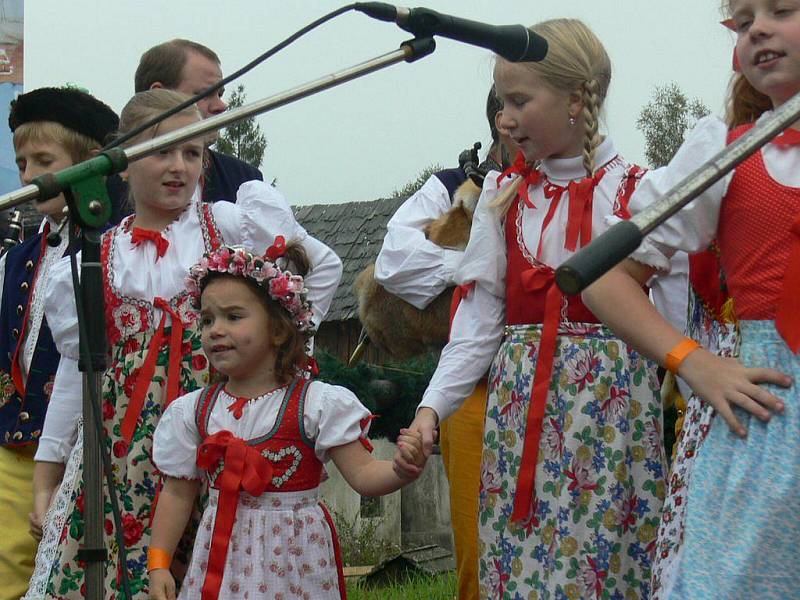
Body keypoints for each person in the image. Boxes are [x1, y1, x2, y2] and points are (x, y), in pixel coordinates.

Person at [24, 89, 342, 599]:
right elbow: (73, 374)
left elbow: (320, 270)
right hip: (121, 461)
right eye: (161, 151)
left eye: (192, 153)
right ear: (120, 164)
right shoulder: (94, 260)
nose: (179, 166)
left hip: (219, 443)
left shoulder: (231, 226)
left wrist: (284, 354)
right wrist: (47, 478)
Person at [400, 19, 665, 599]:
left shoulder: (643, 196)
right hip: (520, 423)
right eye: (501, 102)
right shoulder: (505, 198)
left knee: (607, 571)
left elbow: (675, 326)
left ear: (576, 100)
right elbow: (475, 326)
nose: (504, 119)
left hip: (613, 427)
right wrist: (430, 409)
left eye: (519, 101)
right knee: (520, 572)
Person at [582, 1, 798, 596]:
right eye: (743, 17)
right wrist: (692, 362)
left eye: (782, 9)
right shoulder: (726, 152)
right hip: (773, 423)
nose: (758, 27)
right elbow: (602, 275)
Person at [147, 243, 425, 600]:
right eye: (207, 319)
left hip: (296, 564)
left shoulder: (314, 404)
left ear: (278, 330)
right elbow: (177, 493)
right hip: (221, 561)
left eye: (233, 317)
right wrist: (158, 563)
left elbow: (364, 475)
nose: (215, 329)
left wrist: (402, 470)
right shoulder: (195, 411)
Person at [374, 87, 512, 600]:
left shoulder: (585, 182)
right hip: (473, 385)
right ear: (500, 119)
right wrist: (477, 267)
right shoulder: (451, 186)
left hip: (567, 378)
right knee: (479, 535)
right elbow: (394, 261)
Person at [0, 87, 118, 600]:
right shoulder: (13, 258)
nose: (27, 176)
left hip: (89, 451)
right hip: (12, 446)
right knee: (6, 569)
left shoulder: (117, 246)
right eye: (22, 162)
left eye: (43, 161)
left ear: (91, 163)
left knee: (73, 576)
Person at [108, 38, 263, 211]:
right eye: (205, 94)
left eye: (219, 94)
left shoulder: (245, 180)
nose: (221, 106)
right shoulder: (100, 187)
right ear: (160, 93)